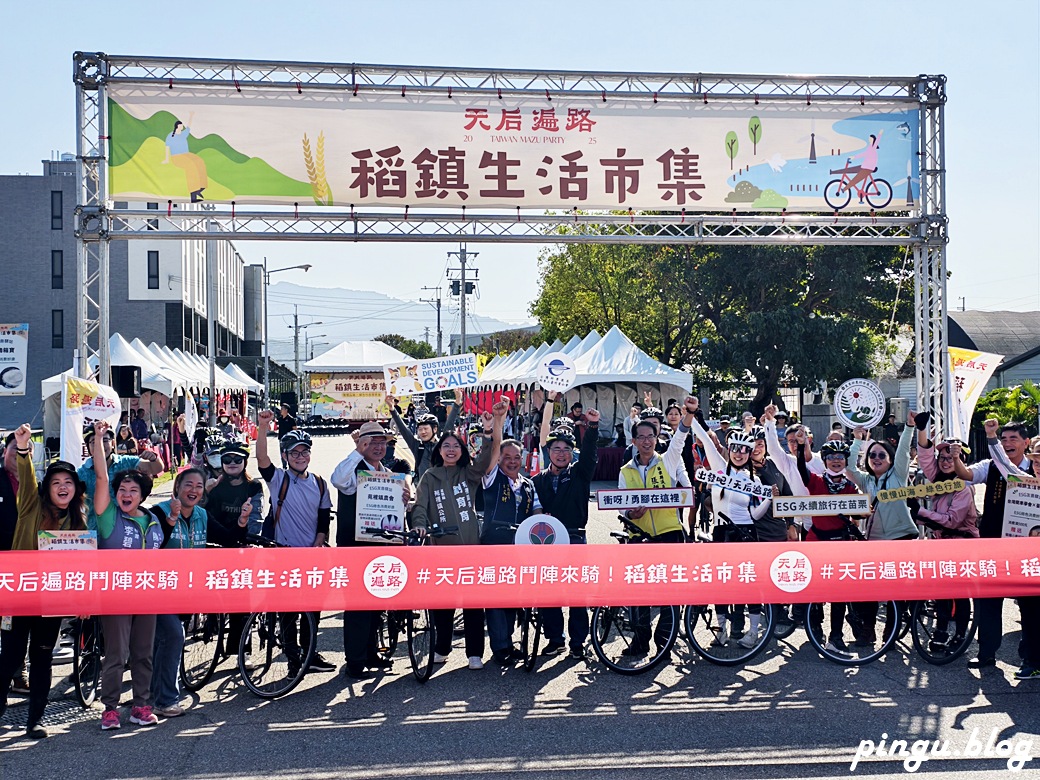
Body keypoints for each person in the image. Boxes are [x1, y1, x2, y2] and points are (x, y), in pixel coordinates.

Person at [0, 425, 87, 739]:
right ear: (47, 487)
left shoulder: (78, 522)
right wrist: (23, 450)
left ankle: (35, 719)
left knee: (42, 656)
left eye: (68, 483)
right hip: (18, 595)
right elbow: (26, 477)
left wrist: (83, 602)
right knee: (9, 658)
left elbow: (82, 568)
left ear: (76, 489)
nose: (62, 487)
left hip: (51, 600)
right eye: (56, 482)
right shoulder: (30, 507)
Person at [91, 421, 164, 730]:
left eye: (133, 490)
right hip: (116, 594)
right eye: (122, 490)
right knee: (117, 654)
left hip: (147, 595)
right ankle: (109, 709)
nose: (126, 493)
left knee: (143, 653)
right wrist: (97, 439)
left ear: (142, 495)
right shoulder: (108, 516)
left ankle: (141, 706)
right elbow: (102, 477)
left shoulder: (153, 520)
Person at [410, 412, 497, 669]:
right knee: (443, 602)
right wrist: (419, 525)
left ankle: (474, 653)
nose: (451, 450)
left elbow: (484, 459)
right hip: (441, 549)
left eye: (455, 446)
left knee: (473, 602)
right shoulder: (430, 476)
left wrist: (489, 432)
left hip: (471, 547)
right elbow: (420, 506)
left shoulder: (469, 474)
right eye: (446, 446)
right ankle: (442, 647)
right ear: (439, 450)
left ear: (461, 450)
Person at [255, 410, 336, 675]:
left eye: (304, 453)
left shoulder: (321, 484)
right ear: (286, 457)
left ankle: (310, 652)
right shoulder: (280, 480)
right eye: (294, 453)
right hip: (284, 554)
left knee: (312, 609)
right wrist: (263, 428)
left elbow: (324, 519)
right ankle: (292, 658)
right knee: (288, 609)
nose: (300, 457)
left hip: (312, 555)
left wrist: (319, 541)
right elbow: (262, 460)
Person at [955, 419, 1038, 677]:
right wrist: (990, 437)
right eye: (1004, 439)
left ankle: (1031, 660)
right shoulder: (1013, 473)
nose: (1007, 443)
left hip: (1028, 554)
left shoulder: (1030, 476)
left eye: (1013, 438)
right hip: (995, 546)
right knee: (989, 600)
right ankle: (987, 653)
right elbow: (984, 468)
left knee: (1031, 607)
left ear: (1026, 442)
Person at [331, 421, 414, 679]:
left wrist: (404, 500)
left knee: (377, 602)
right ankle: (355, 662)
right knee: (357, 605)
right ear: (361, 444)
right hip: (355, 547)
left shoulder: (387, 474)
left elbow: (397, 509)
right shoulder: (354, 469)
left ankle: (370, 654)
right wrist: (357, 450)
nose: (378, 447)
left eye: (382, 442)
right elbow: (337, 479)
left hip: (381, 546)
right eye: (371, 442)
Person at [689, 410, 775, 649]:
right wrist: (691, 415)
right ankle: (722, 630)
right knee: (720, 583)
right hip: (720, 532)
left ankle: (754, 631)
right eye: (735, 449)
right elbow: (705, 439)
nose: (739, 453)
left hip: (745, 533)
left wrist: (768, 498)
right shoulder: (718, 468)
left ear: (749, 453)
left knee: (749, 584)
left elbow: (755, 515)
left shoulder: (754, 481)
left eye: (744, 450)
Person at [532, 407, 601, 659]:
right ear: (548, 452)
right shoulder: (537, 480)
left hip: (574, 537)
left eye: (566, 449)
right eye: (556, 449)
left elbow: (591, 455)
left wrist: (592, 427)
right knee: (547, 593)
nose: (561, 454)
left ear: (572, 453)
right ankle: (555, 639)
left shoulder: (579, 474)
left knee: (577, 593)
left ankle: (578, 641)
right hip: (546, 542)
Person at [911, 411, 977, 654]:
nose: (945, 461)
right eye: (943, 457)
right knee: (940, 590)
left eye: (951, 458)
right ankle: (940, 629)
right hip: (940, 544)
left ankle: (960, 632)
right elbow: (926, 458)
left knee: (959, 593)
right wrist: (921, 429)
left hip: (962, 545)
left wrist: (921, 512)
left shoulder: (963, 489)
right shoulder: (939, 480)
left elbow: (951, 520)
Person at [480, 402, 539, 665]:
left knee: (515, 598)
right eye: (507, 457)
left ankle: (510, 642)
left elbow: (537, 513)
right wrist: (498, 421)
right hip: (494, 546)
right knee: (495, 599)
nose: (512, 462)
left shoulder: (527, 484)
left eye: (517, 457)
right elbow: (493, 451)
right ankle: (500, 648)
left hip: (521, 550)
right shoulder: (492, 477)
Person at [149, 468, 208, 719]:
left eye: (199, 486)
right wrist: (171, 520)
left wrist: (241, 524)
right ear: (176, 488)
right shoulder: (158, 512)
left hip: (187, 590)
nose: (193, 490)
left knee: (162, 642)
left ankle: (152, 697)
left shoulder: (202, 515)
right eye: (188, 485)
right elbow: (151, 545)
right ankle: (165, 700)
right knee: (173, 636)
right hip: (158, 589)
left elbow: (225, 539)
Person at [78, 421, 164, 531]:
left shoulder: (126, 462)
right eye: (93, 442)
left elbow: (156, 468)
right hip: (96, 532)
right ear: (87, 447)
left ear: (113, 443)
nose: (100, 445)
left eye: (105, 440)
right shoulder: (81, 473)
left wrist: (154, 458)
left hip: (126, 530)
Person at [848, 413, 919, 541]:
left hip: (901, 536)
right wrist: (857, 440)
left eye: (882, 455)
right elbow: (849, 468)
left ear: (891, 460)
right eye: (872, 455)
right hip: (874, 538)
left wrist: (909, 426)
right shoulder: (865, 480)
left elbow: (903, 450)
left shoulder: (898, 475)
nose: (876, 459)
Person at [387, 389, 462, 481]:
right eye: (420, 429)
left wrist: (457, 401)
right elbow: (403, 429)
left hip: (442, 489)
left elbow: (449, 424)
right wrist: (392, 409)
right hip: (423, 490)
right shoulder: (417, 446)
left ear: (435, 429)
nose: (422, 432)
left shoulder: (442, 444)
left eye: (425, 429)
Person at [205, 440, 264, 542]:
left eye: (237, 460)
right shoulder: (214, 484)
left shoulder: (254, 486)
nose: (232, 463)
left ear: (245, 462)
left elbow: (256, 519)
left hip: (244, 541)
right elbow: (202, 514)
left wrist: (250, 541)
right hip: (216, 541)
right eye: (227, 460)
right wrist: (205, 492)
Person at [162, 112, 208, 202]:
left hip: (186, 154)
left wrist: (191, 116)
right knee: (191, 166)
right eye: (181, 126)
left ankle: (201, 188)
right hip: (177, 157)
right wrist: (166, 159)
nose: (182, 127)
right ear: (177, 127)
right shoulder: (171, 136)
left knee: (200, 161)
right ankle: (193, 195)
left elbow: (188, 127)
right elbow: (167, 147)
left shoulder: (183, 134)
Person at [839, 130, 884, 202]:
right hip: (865, 166)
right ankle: (846, 189)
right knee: (854, 172)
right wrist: (854, 157)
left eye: (870, 139)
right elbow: (864, 154)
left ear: (873, 140)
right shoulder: (870, 147)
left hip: (868, 168)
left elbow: (877, 141)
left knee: (856, 179)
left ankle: (844, 189)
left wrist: (879, 134)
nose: (869, 140)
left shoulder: (873, 146)